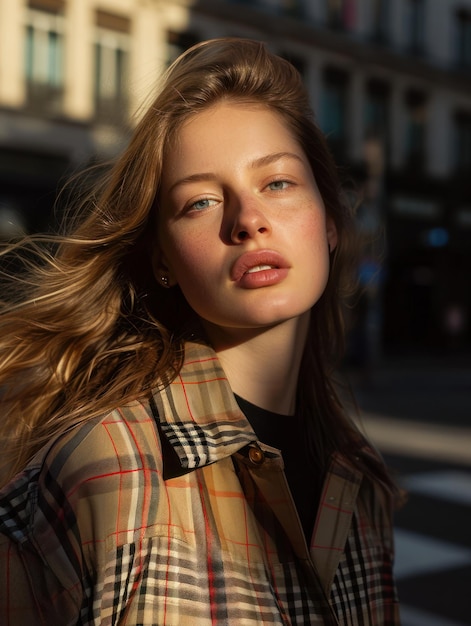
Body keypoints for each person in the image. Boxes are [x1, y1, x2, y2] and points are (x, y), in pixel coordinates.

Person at [0, 38, 400, 625]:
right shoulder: (111, 466)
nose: (247, 220)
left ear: (332, 222)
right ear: (163, 259)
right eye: (202, 202)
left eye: (279, 183)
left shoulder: (362, 482)